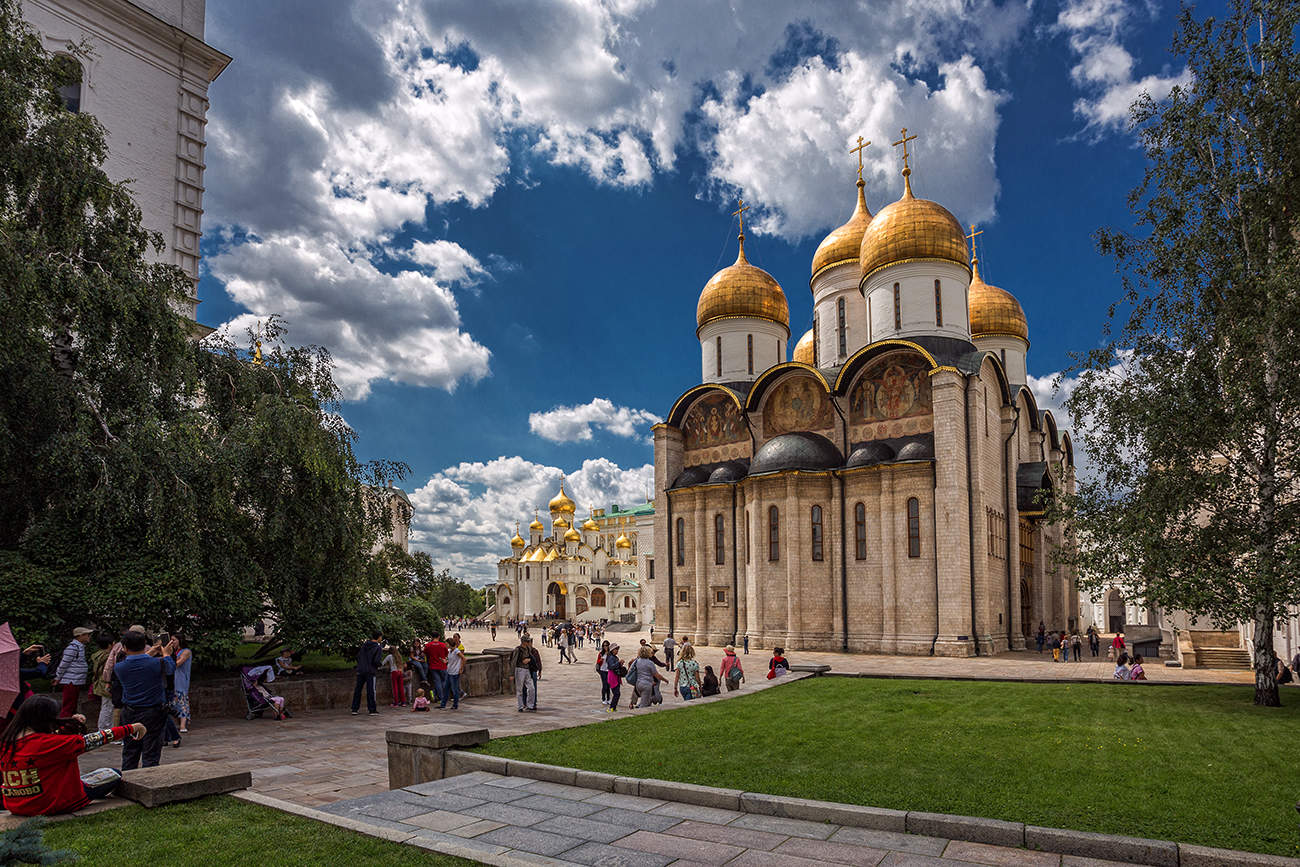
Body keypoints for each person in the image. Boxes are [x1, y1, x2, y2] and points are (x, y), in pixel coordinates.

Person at [1, 695, 146, 816]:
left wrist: (72, 723)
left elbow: (55, 739)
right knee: (112, 773)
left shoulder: (8, 741)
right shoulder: (47, 743)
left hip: (16, 804)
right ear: (45, 720)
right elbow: (94, 739)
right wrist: (130, 728)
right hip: (50, 804)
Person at [114, 630, 176, 770]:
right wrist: (166, 653)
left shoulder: (120, 667)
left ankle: (128, 782)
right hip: (153, 712)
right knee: (151, 752)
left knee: (130, 751)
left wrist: (151, 652)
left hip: (130, 712)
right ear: (145, 645)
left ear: (124, 647)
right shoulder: (157, 663)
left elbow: (137, 663)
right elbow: (170, 668)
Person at [53, 628, 93, 718]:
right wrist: (57, 677)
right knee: (69, 706)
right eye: (86, 634)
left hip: (76, 680)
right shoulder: (72, 648)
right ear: (80, 636)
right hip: (71, 680)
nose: (88, 637)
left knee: (73, 705)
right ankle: (64, 724)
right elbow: (64, 664)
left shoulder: (79, 647)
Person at [351, 630, 383, 716]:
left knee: (358, 689)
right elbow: (376, 660)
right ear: (379, 637)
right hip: (370, 670)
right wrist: (379, 665)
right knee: (370, 690)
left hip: (361, 669)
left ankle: (354, 708)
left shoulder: (364, 645)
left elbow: (358, 656)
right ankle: (372, 709)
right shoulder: (378, 647)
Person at [88, 636, 114, 732]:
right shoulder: (107, 657)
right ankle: (105, 729)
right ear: (109, 645)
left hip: (99, 683)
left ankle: (104, 728)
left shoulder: (97, 656)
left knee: (106, 706)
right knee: (108, 707)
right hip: (105, 683)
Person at [511, 635, 541, 712]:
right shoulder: (518, 649)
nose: (529, 643)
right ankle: (520, 706)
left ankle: (530, 705)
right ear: (523, 642)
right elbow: (513, 662)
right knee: (519, 689)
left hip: (527, 670)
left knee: (532, 688)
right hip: (520, 669)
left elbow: (532, 658)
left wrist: (529, 660)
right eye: (527, 641)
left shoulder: (528, 649)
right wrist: (511, 674)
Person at [171, 637, 193, 734]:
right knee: (173, 701)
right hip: (172, 679)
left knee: (182, 700)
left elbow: (178, 663)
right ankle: (176, 723)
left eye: (174, 640)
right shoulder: (174, 652)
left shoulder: (186, 651)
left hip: (181, 679)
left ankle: (183, 724)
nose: (172, 642)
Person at [424, 634, 449, 708]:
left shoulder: (428, 645)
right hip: (442, 665)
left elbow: (425, 653)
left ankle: (440, 697)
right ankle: (444, 696)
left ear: (432, 637)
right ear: (439, 637)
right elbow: (446, 654)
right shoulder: (443, 645)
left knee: (437, 682)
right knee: (444, 681)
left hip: (432, 666)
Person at [444, 635, 464, 710]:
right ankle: (443, 704)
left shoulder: (456, 651)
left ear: (449, 644)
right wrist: (445, 661)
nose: (445, 645)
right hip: (449, 671)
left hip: (455, 672)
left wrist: (461, 668)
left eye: (446, 643)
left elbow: (464, 658)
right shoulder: (449, 651)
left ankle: (455, 705)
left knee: (454, 689)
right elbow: (450, 660)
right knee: (446, 688)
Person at [604, 644, 624, 712]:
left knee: (617, 693)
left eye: (617, 649)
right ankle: (612, 707)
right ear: (612, 650)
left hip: (616, 676)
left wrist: (620, 664)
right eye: (616, 649)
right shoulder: (610, 658)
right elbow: (611, 667)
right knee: (616, 693)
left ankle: (613, 707)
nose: (617, 651)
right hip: (612, 677)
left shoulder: (615, 657)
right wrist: (618, 663)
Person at [596, 640, 611, 705]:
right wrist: (600, 660)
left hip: (609, 671)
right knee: (604, 685)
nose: (606, 647)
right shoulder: (601, 654)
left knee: (608, 685)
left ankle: (608, 698)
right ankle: (603, 698)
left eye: (607, 645)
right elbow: (598, 662)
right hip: (602, 670)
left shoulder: (610, 654)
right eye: (604, 645)